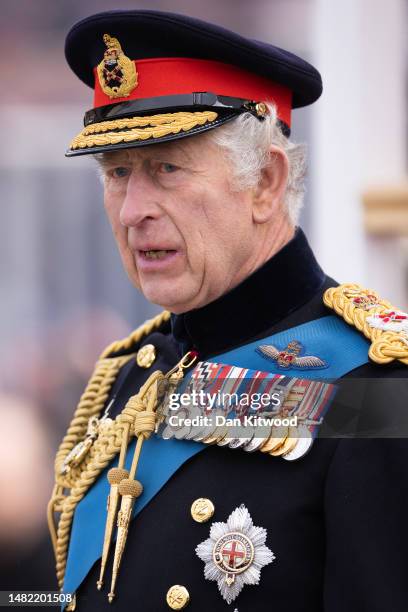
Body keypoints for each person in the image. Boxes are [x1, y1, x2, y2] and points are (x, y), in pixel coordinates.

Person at [48, 9, 408, 612]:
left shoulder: (372, 391)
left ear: (266, 183)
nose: (134, 209)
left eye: (166, 168)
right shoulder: (130, 373)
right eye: (117, 173)